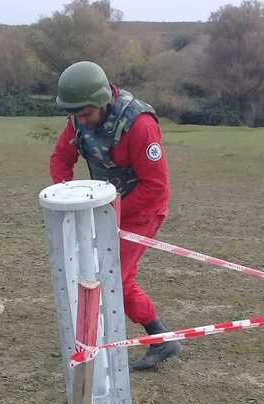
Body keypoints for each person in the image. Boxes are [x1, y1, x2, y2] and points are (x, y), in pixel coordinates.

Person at [48, 60, 181, 370]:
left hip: (142, 210)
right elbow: (60, 160)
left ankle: (156, 339)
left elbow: (156, 187)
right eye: (76, 115)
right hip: (107, 209)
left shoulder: (139, 125)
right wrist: (69, 199)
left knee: (112, 280)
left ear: (102, 101)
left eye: (86, 114)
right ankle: (154, 337)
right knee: (100, 275)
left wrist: (110, 213)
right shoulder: (78, 120)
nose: (81, 121)